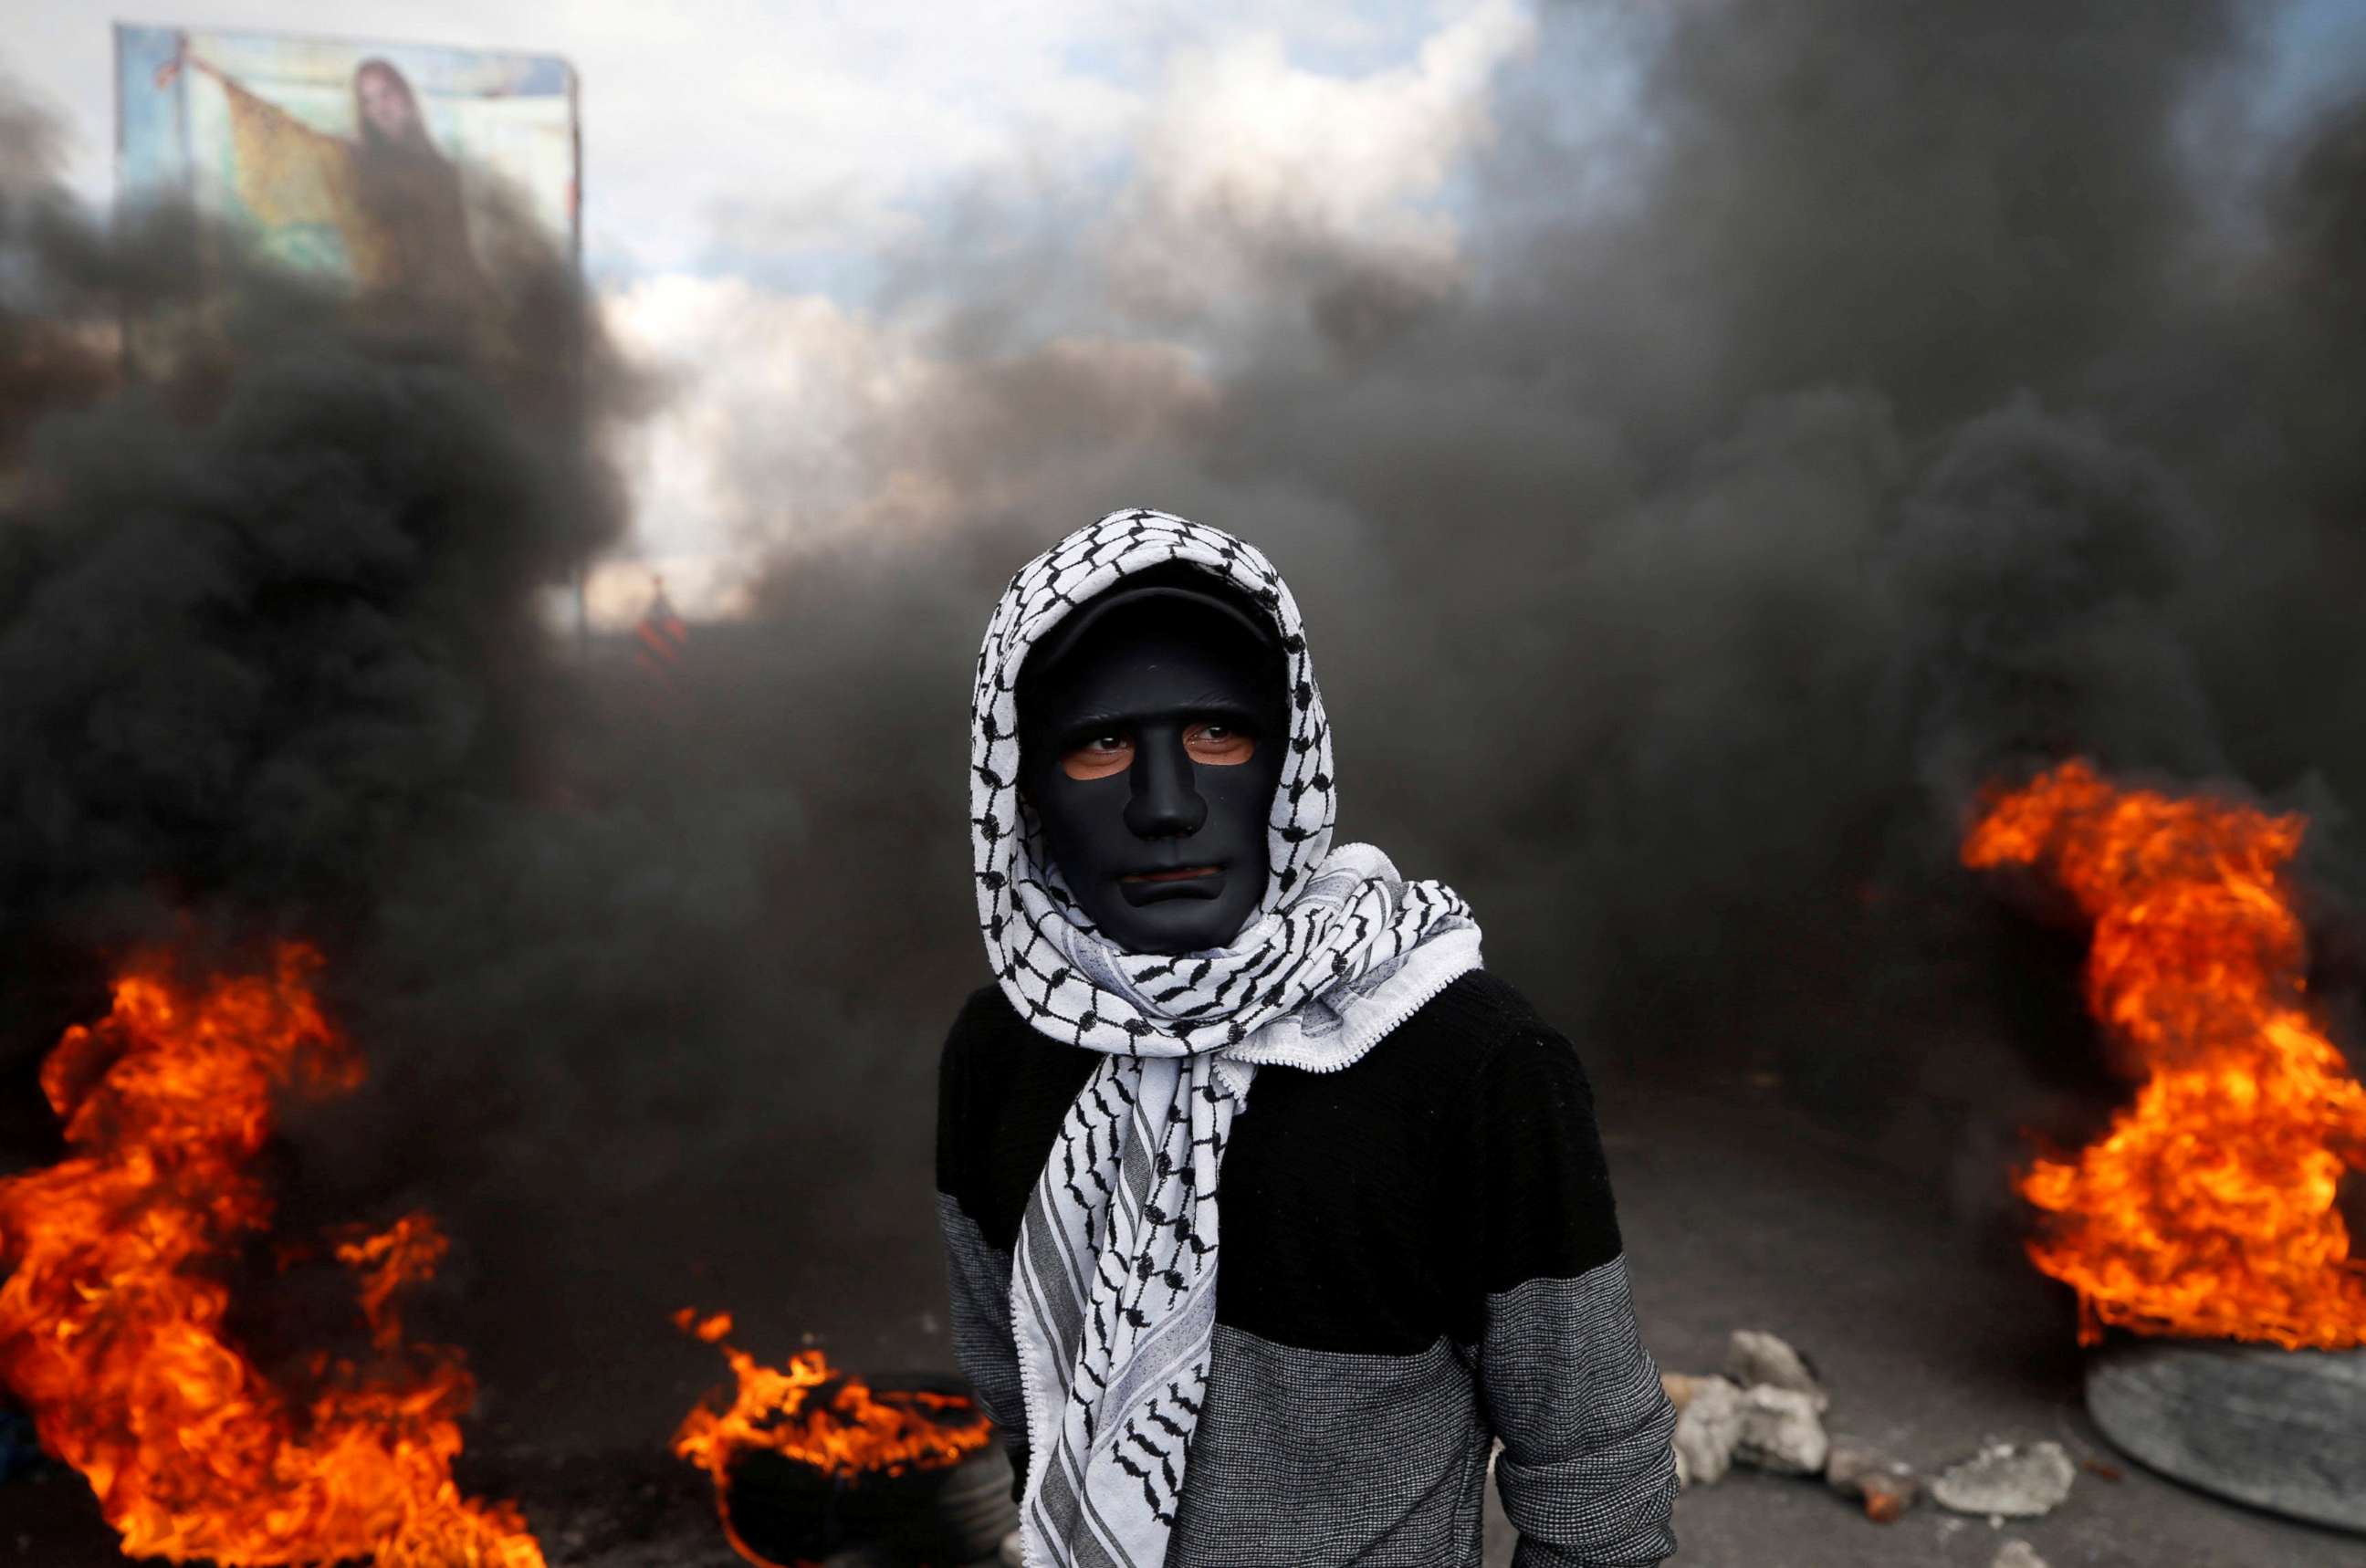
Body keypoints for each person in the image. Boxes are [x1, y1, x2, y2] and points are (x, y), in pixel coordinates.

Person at [936, 508, 1678, 1567]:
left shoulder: (1468, 1060)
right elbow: (1025, 1404)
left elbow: (1597, 1472)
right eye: (1100, 743)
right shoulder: (1003, 1050)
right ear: (1023, 792)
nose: (1167, 804)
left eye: (1217, 732)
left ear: (1291, 761)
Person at [156, 40, 476, 300]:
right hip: (385, 312)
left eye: (386, 94)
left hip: (447, 312)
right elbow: (284, 133)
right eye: (368, 101)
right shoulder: (353, 162)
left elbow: (463, 253)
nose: (380, 108)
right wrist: (210, 72)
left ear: (405, 95)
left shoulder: (447, 172)